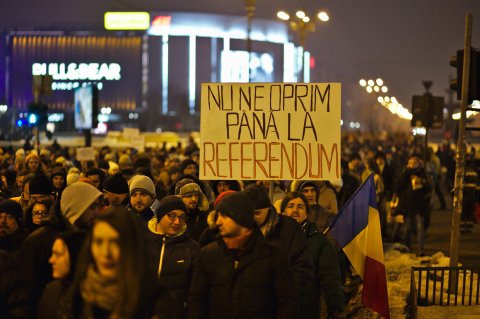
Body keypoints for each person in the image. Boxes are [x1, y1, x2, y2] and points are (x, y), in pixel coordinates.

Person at [188, 191, 298, 318]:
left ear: (240, 218)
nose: (218, 222)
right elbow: (196, 301)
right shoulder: (208, 255)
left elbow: (287, 304)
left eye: (224, 216)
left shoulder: (274, 257)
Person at [58, 207, 182, 319]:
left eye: (115, 242)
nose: (106, 253)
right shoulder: (77, 297)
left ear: (132, 246)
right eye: (99, 242)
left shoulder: (157, 303)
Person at [243, 183, 314, 319]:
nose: (253, 217)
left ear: (268, 209)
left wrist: (283, 296)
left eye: (257, 213)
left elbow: (303, 268)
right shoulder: (239, 227)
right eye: (249, 213)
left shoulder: (288, 229)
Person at [281, 192, 346, 319]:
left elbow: (330, 279)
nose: (295, 210)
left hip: (305, 311)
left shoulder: (319, 242)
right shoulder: (272, 240)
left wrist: (336, 310)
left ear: (306, 213)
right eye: (291, 206)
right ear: (283, 212)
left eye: (300, 207)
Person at [147, 195, 199, 314]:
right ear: (160, 216)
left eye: (182, 217)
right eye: (171, 216)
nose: (177, 222)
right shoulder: (141, 241)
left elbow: (195, 293)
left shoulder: (192, 249)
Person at [38, 230, 86, 319]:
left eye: (58, 255)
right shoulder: (51, 292)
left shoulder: (93, 297)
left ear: (75, 256)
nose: (51, 260)